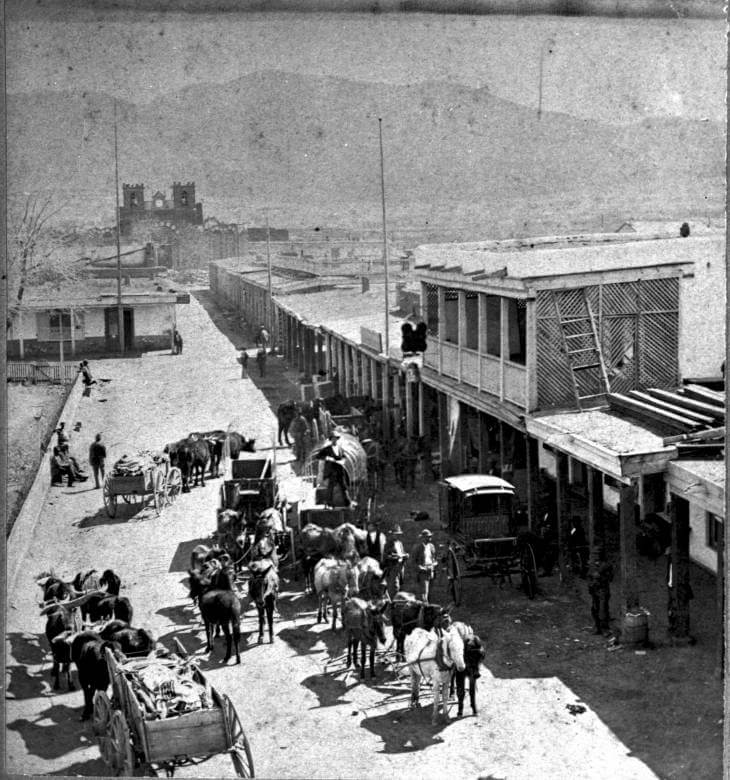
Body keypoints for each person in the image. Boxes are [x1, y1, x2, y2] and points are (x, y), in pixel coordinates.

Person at [316, 431, 350, 508]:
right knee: (330, 488)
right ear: (331, 440)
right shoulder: (327, 449)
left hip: (340, 471)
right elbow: (318, 456)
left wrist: (343, 461)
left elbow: (344, 457)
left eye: (336, 439)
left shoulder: (340, 449)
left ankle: (347, 502)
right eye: (333, 439)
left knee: (343, 486)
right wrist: (328, 458)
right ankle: (329, 503)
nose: (335, 441)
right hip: (332, 471)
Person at [587, 547, 614, 635]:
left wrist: (601, 577)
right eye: (595, 554)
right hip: (594, 589)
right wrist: (590, 584)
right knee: (595, 609)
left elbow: (610, 578)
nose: (596, 556)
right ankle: (597, 627)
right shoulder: (592, 564)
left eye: (598, 554)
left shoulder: (607, 565)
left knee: (603, 609)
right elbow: (588, 576)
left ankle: (604, 628)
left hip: (603, 589)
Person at [412, 529, 437, 603]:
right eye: (427, 537)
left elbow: (434, 559)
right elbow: (413, 562)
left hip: (431, 570)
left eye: (430, 537)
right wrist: (421, 568)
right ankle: (424, 610)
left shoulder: (431, 546)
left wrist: (434, 564)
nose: (429, 539)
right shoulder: (418, 548)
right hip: (423, 572)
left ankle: (428, 609)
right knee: (424, 594)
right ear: (423, 538)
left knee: (430, 593)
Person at [383, 525, 408, 597]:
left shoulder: (400, 543)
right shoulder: (388, 544)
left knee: (401, 585)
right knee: (394, 587)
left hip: (401, 566)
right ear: (392, 534)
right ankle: (392, 603)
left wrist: (405, 555)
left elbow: (402, 552)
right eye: (395, 534)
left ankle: (397, 602)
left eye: (398, 534)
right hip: (393, 567)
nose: (397, 536)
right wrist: (396, 557)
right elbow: (386, 556)